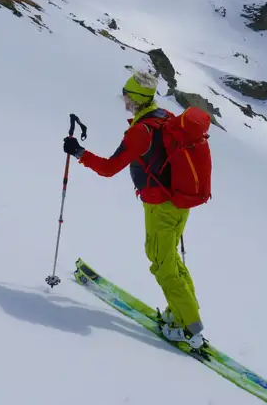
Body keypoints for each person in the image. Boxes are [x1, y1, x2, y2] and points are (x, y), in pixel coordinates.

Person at [63, 70, 206, 349]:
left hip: (161, 207)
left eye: (127, 98)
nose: (125, 103)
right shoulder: (163, 116)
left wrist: (78, 152)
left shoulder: (140, 132)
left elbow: (108, 168)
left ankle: (189, 329)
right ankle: (183, 314)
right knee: (170, 261)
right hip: (176, 204)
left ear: (138, 99)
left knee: (162, 265)